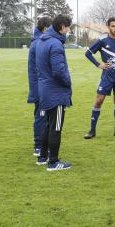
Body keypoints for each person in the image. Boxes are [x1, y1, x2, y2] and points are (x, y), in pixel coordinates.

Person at [35, 14, 73, 171]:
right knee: (56, 127)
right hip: (55, 92)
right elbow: (58, 71)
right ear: (62, 27)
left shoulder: (41, 42)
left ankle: (42, 157)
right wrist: (68, 81)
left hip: (45, 89)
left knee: (48, 125)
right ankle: (53, 162)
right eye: (69, 27)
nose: (69, 30)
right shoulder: (56, 44)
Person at [27, 16, 52, 156]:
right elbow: (39, 68)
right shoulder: (38, 43)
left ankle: (41, 145)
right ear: (45, 29)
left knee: (42, 115)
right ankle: (38, 146)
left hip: (41, 85)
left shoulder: (39, 41)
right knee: (41, 116)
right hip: (40, 86)